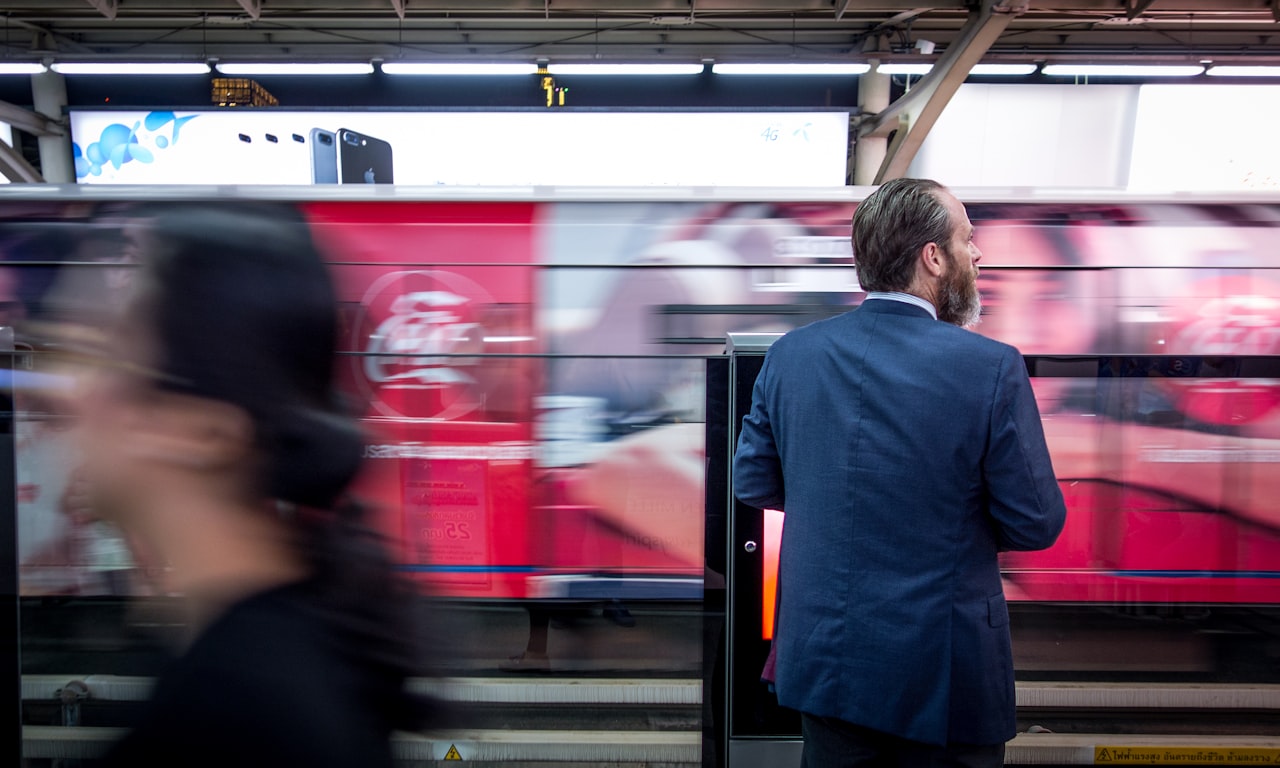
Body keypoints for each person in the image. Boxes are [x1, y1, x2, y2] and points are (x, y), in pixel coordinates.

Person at [63, 203, 431, 767]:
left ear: (203, 432)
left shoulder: (232, 708)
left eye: (112, 354)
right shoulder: (293, 648)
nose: (73, 392)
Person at [733, 178, 1067, 767]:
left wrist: (831, 496)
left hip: (826, 660)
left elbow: (753, 483)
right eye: (968, 238)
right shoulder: (991, 367)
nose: (978, 253)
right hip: (943, 670)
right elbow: (1036, 522)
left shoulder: (792, 355)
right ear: (933, 257)